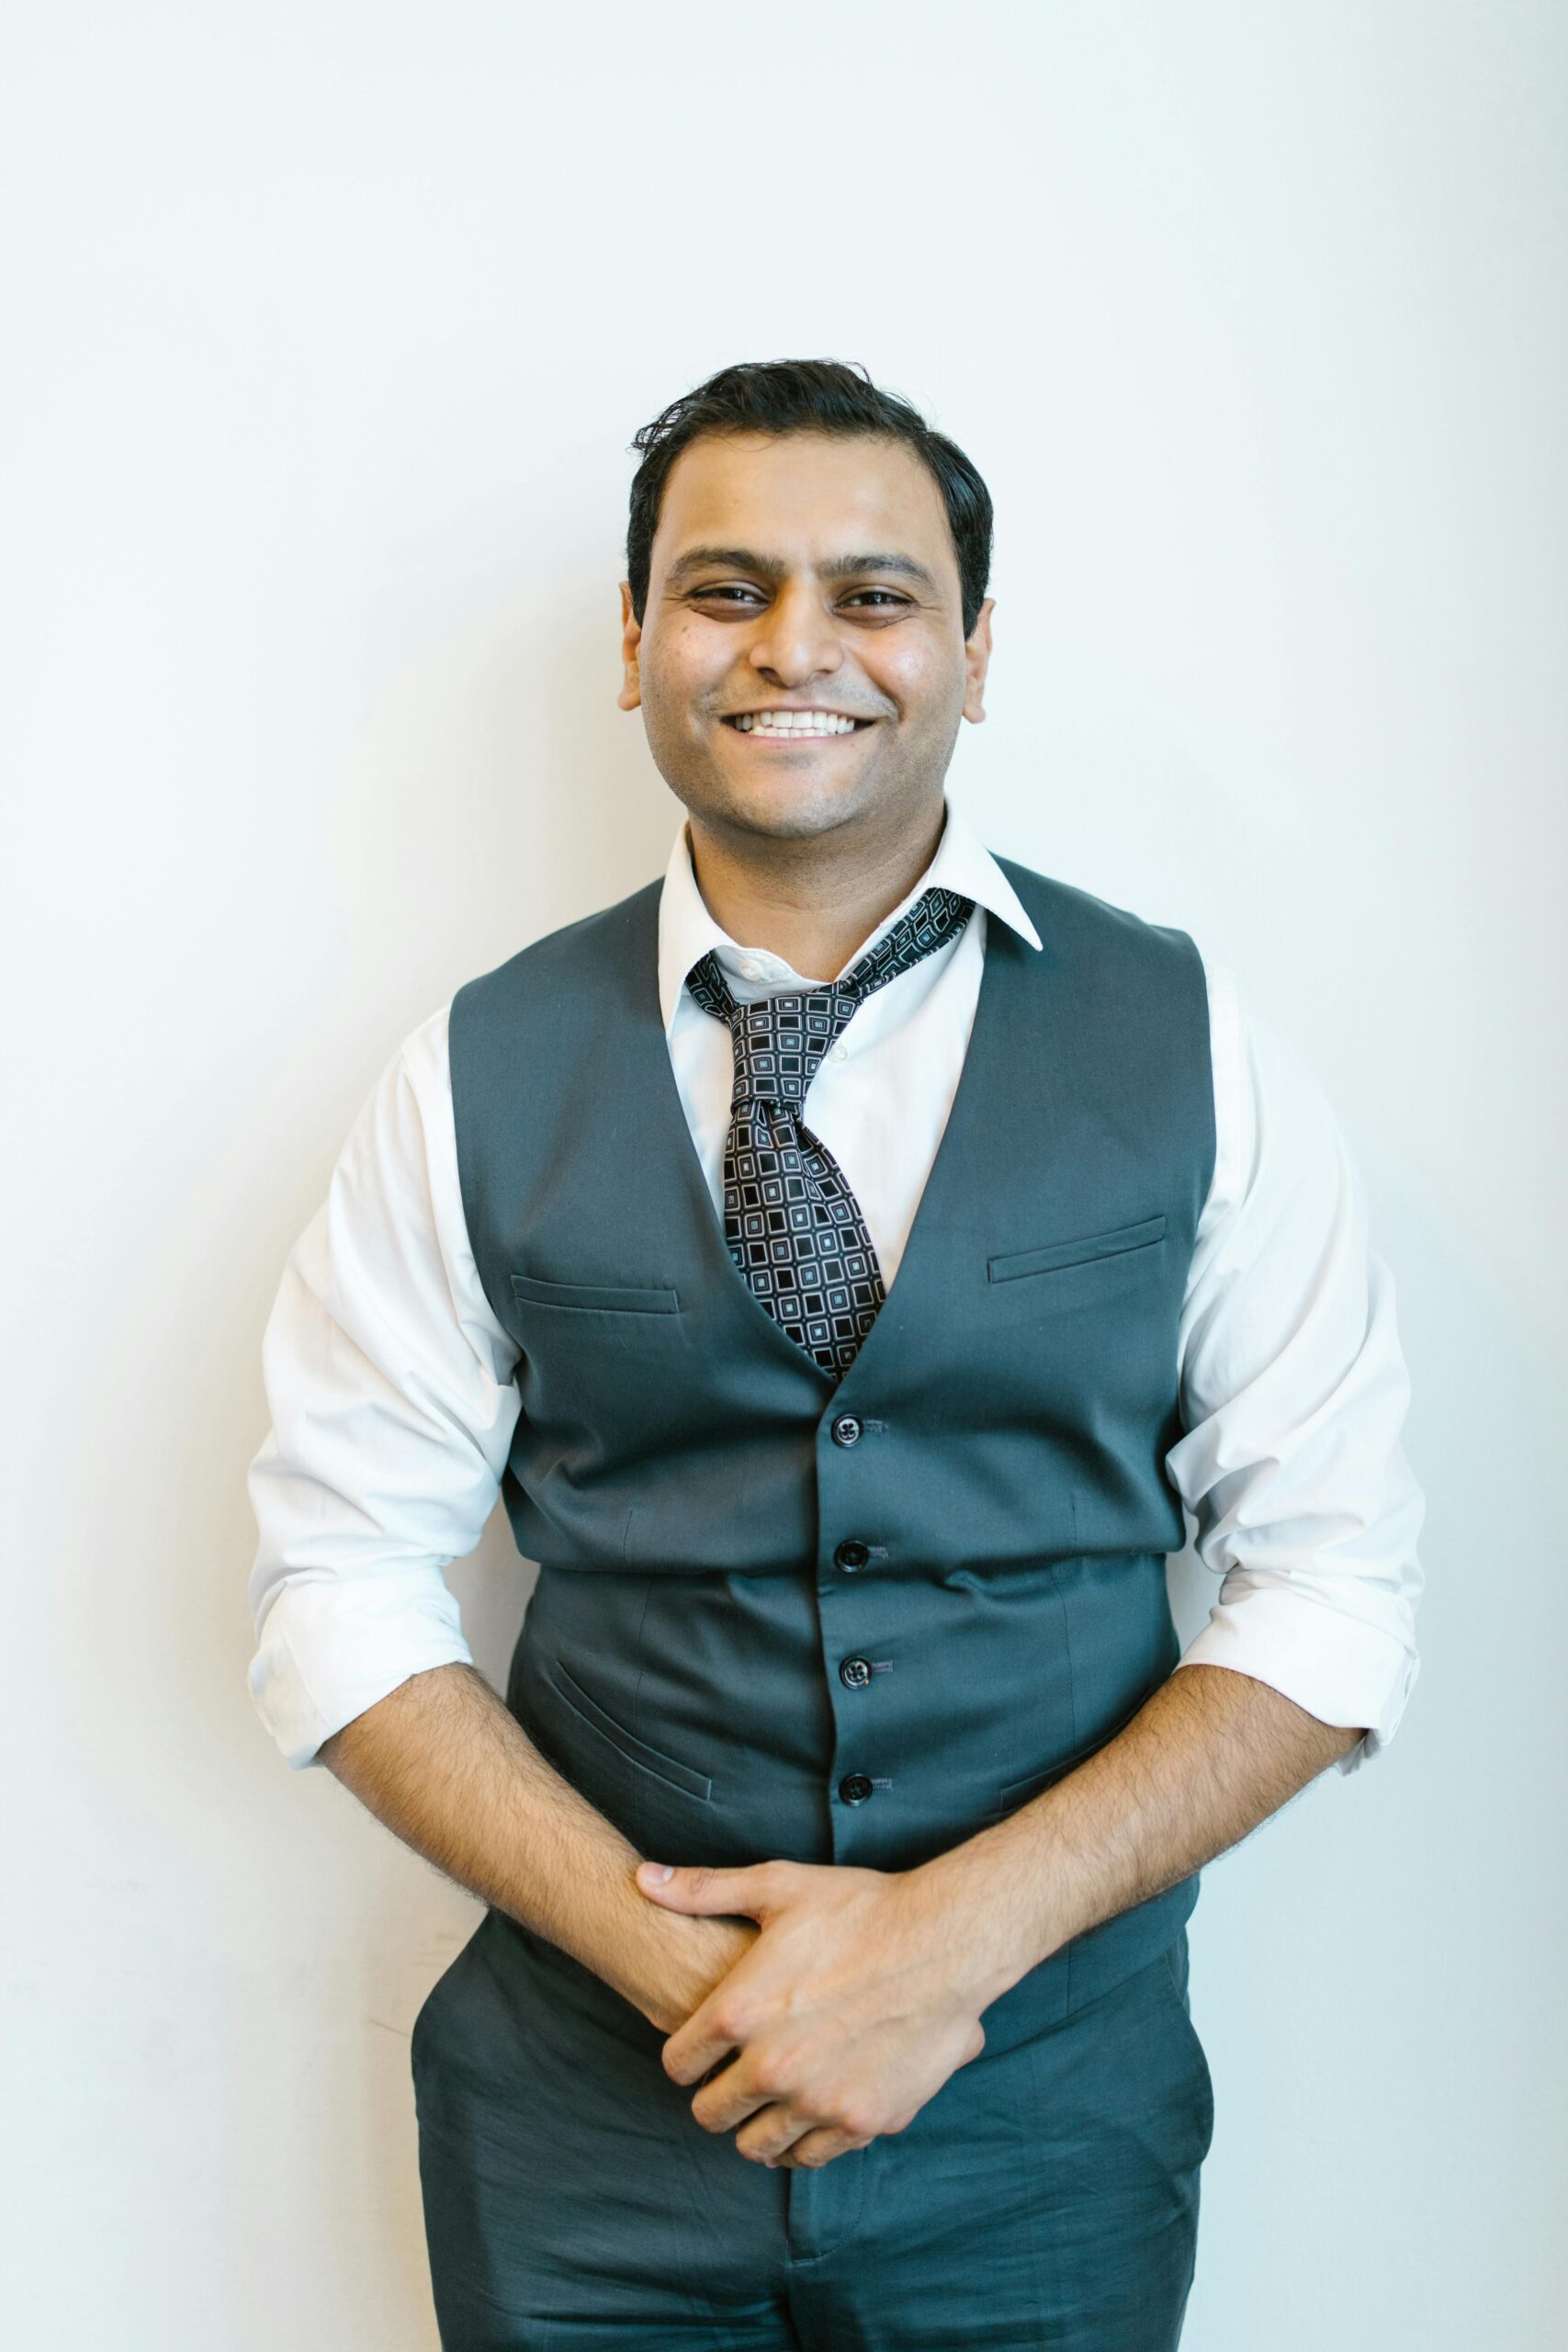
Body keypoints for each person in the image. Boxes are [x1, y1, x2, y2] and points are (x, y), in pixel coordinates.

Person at [246, 357, 1425, 2350]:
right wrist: (689, 1970)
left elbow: (1330, 1585)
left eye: (872, 594)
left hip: (1041, 2113)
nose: (796, 645)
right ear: (634, 646)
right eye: (724, 589)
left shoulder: (1189, 1040)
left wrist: (947, 1943)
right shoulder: (469, 1067)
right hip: (583, 2122)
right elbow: (337, 1589)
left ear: (972, 645)